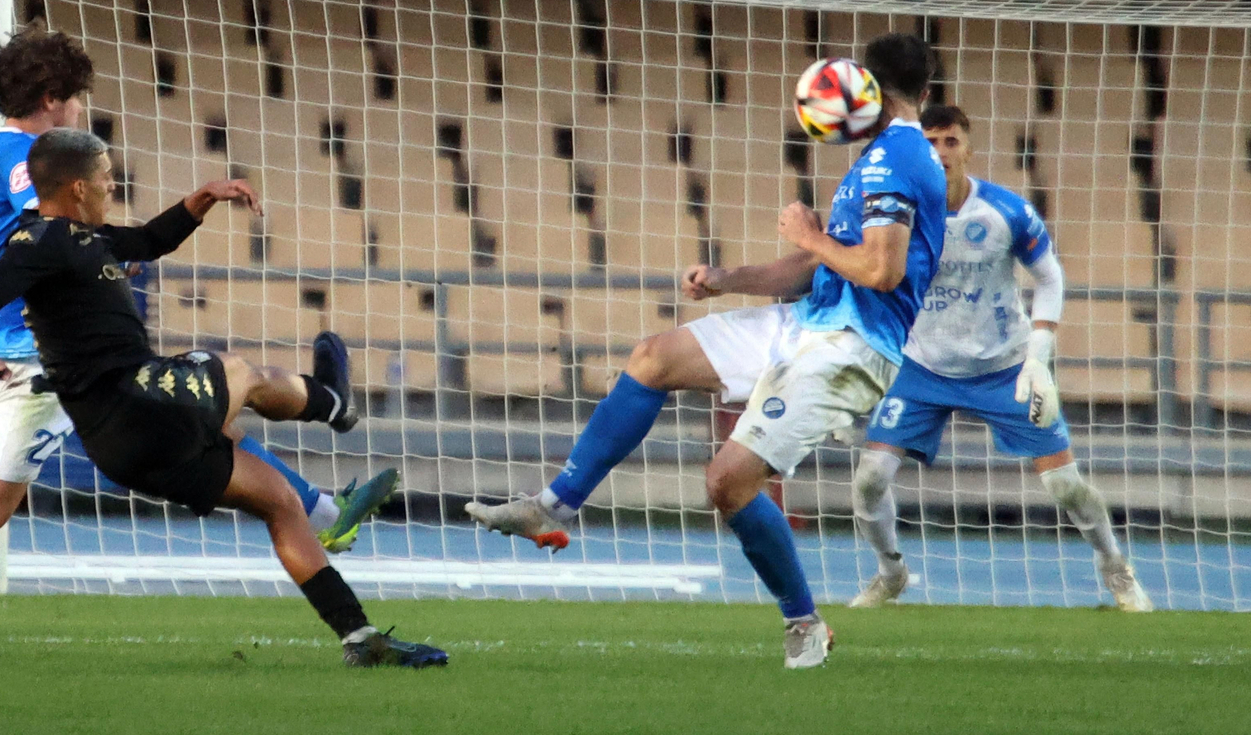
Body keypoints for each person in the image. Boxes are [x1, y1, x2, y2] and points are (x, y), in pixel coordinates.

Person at [0, 30, 394, 660]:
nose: (82, 109)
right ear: (52, 98)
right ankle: (330, 472)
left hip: (48, 360)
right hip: (46, 363)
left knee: (208, 424)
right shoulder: (34, 162)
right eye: (77, 98)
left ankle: (329, 513)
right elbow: (55, 231)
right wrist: (91, 263)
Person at [467, 34, 946, 668]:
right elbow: (815, 267)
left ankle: (804, 622)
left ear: (860, 85)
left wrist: (809, 233)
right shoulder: (879, 157)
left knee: (727, 482)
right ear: (927, 91)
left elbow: (880, 271)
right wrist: (728, 279)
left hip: (853, 346)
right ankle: (552, 507)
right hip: (811, 318)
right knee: (653, 356)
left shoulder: (899, 159)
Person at [0, 128, 444, 666]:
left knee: (279, 502)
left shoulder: (87, 240)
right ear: (75, 188)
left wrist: (203, 198)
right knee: (238, 369)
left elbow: (151, 240)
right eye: (106, 179)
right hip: (140, 402)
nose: (112, 186)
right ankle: (330, 401)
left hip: (122, 446)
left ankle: (358, 637)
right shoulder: (38, 242)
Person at [847, 104, 1152, 612]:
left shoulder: (1005, 211)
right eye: (931, 144)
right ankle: (891, 573)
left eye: (950, 142)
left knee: (1065, 487)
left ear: (968, 147)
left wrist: (1038, 358)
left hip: (1004, 369)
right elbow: (867, 283)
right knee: (869, 479)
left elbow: (1050, 277)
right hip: (920, 366)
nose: (941, 154)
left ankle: (1116, 569)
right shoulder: (894, 212)